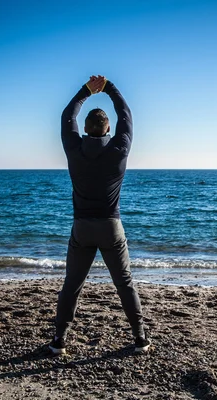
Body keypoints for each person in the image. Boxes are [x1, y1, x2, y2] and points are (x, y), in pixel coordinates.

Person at [49, 75, 150, 355]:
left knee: (72, 284)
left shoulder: (74, 148)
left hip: (82, 227)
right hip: (110, 227)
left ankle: (59, 340)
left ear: (84, 128)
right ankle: (140, 338)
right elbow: (125, 114)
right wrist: (109, 88)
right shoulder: (119, 148)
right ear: (108, 128)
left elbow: (67, 114)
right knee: (124, 283)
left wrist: (87, 91)